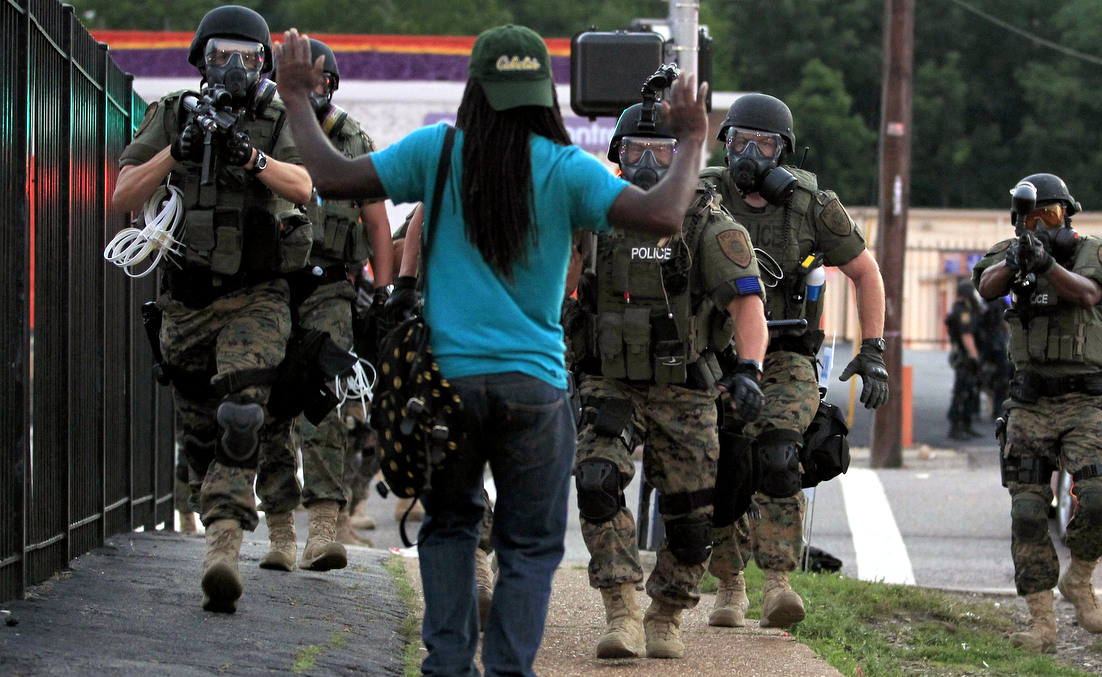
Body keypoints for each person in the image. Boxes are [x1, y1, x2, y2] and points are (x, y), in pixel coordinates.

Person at [273, 23, 712, 676]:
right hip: (534, 391)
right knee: (529, 545)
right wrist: (692, 141)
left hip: (447, 387)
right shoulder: (567, 170)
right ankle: (508, 668)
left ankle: (447, 665)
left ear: (475, 89)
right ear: (544, 96)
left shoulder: (438, 152)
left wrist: (297, 99)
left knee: (449, 526)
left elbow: (332, 178)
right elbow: (664, 215)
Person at [110, 5, 313, 613]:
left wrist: (247, 157)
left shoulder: (278, 119)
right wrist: (178, 149)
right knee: (200, 438)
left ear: (263, 65)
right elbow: (123, 195)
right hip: (188, 301)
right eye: (222, 54)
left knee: (243, 413)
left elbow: (305, 185)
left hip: (256, 294)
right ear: (202, 59)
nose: (233, 66)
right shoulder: (172, 113)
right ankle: (218, 524)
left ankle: (223, 549)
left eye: (247, 56)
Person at [571, 102, 768, 660]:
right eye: (638, 151)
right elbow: (562, 284)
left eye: (664, 152)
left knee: (689, 519)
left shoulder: (708, 224)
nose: (650, 163)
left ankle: (666, 614)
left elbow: (747, 309)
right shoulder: (594, 218)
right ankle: (621, 610)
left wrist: (750, 371)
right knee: (596, 479)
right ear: (618, 153)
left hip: (685, 389)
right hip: (612, 383)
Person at [700, 93, 888, 630]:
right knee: (718, 465)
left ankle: (778, 583)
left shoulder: (810, 204)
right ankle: (730, 583)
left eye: (763, 145)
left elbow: (866, 273)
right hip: (719, 354)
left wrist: (872, 352)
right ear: (725, 143)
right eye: (740, 142)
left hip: (786, 354)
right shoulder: (704, 196)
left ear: (783, 152)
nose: (749, 156)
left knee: (779, 452)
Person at [254, 37, 394, 574]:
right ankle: (282, 529)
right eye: (300, 79)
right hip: (268, 287)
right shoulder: (266, 128)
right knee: (266, 403)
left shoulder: (352, 140)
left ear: (331, 84)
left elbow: (377, 223)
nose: (312, 89)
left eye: (320, 80)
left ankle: (325, 528)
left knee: (327, 402)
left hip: (330, 286)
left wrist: (384, 295)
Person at [974, 173, 1102, 654]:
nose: (1039, 226)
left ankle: (1079, 579)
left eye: (1050, 217)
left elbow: (1086, 294)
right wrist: (1020, 258)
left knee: (1100, 496)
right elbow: (986, 285)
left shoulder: (1094, 253)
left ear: (1068, 217)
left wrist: (1046, 264)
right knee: (1027, 511)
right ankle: (1041, 620)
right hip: (1031, 400)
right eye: (1029, 218)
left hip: (1086, 400)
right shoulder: (1009, 250)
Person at [945, 278, 983, 440]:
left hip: (960, 354)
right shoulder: (963, 312)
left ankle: (966, 426)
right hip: (965, 356)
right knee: (962, 392)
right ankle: (956, 428)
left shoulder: (957, 309)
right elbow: (966, 335)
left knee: (968, 390)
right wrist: (975, 356)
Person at [977, 294, 1011, 420]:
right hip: (989, 343)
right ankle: (994, 410)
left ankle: (996, 410)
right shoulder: (984, 302)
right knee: (978, 378)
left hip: (992, 343)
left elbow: (1007, 322)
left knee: (1001, 379)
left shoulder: (996, 302)